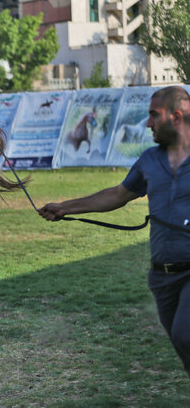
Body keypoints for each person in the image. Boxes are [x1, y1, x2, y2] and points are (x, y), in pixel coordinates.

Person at [39, 86, 190, 377]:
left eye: (153, 116)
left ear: (177, 117)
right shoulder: (149, 160)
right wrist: (65, 207)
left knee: (186, 335)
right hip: (161, 276)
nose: (147, 124)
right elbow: (117, 195)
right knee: (183, 347)